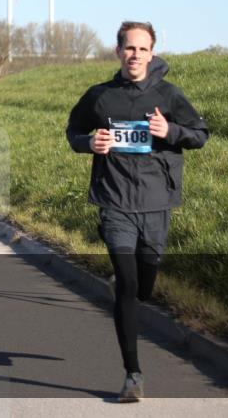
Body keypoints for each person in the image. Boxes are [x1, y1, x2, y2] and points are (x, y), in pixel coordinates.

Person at [66, 20, 209, 402]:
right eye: (129, 48)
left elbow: (200, 134)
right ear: (118, 52)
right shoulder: (100, 97)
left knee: (145, 282)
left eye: (142, 49)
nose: (135, 55)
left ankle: (136, 286)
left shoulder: (169, 95)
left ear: (152, 52)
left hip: (156, 202)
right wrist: (89, 142)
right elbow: (73, 132)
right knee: (127, 286)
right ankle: (133, 374)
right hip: (115, 202)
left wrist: (170, 132)